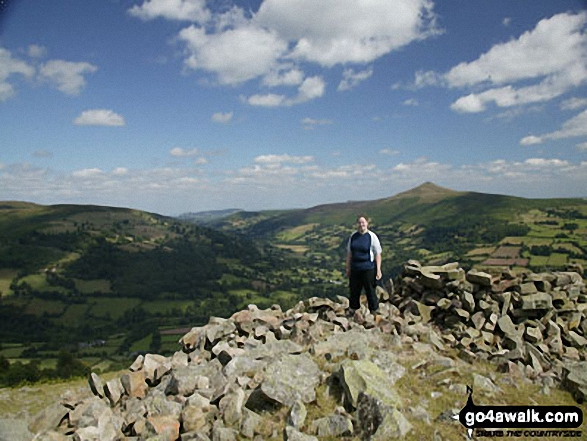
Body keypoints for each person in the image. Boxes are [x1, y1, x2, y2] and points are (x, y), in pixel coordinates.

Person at [345, 214, 382, 315]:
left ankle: (374, 310)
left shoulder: (372, 236)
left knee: (370, 290)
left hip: (368, 268)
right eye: (359, 222)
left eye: (363, 222)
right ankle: (353, 309)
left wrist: (378, 269)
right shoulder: (353, 236)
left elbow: (377, 254)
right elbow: (349, 253)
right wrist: (348, 267)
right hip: (355, 268)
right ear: (357, 224)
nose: (361, 224)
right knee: (354, 290)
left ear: (367, 223)